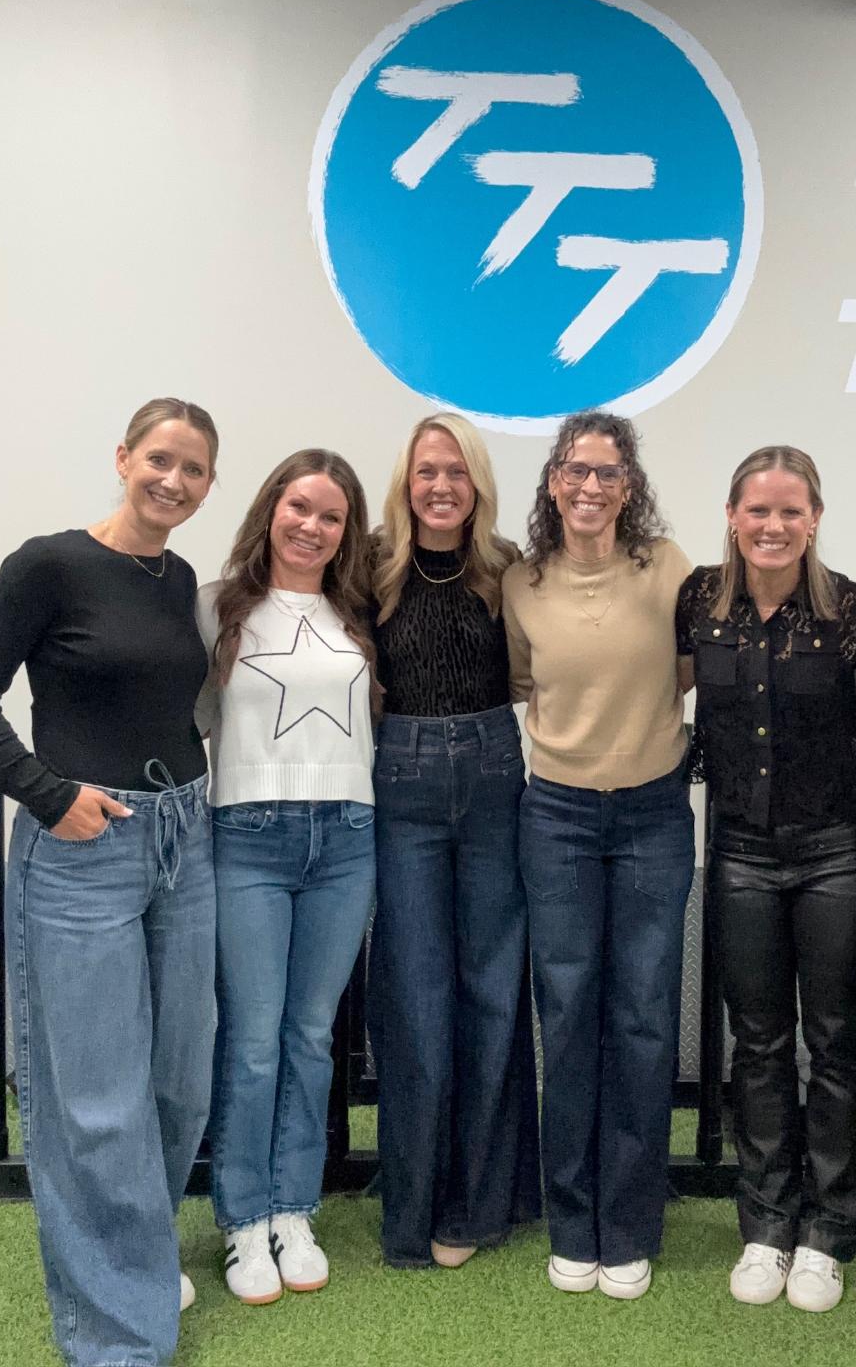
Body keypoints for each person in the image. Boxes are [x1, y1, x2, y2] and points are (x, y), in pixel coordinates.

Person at [0, 398, 218, 1367]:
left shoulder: (178, 578)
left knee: (178, 1081)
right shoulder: (49, 565)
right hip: (85, 851)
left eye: (194, 469)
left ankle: (135, 1257)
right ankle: (116, 1333)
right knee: (95, 1098)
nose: (173, 480)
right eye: (160, 458)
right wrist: (44, 794)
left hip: (183, 837)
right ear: (123, 458)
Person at [675, 445, 856, 1314]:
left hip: (838, 849)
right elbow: (662, 693)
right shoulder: (698, 602)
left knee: (836, 1043)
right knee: (758, 1044)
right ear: (732, 517)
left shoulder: (854, 610)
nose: (773, 525)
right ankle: (766, 1226)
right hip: (741, 854)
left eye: (790, 511)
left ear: (815, 519)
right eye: (757, 510)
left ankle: (829, 1235)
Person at [502, 409, 694, 1301]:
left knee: (645, 1016)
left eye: (608, 472)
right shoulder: (523, 581)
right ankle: (572, 1220)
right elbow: (520, 680)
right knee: (570, 1011)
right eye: (575, 470)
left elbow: (689, 668)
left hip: (654, 815)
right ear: (553, 483)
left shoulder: (668, 568)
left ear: (629, 486)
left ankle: (631, 1224)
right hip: (558, 818)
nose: (590, 485)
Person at [195, 449, 379, 1305]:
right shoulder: (215, 607)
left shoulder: (361, 614)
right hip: (248, 836)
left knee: (311, 1037)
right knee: (253, 1038)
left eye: (331, 516)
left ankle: (292, 1209)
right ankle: (242, 1219)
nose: (312, 526)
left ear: (348, 532)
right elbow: (184, 714)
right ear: (271, 509)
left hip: (347, 837)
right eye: (299, 507)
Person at [368, 411, 540, 1270]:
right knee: (414, 996)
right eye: (427, 471)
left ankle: (480, 1203)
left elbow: (537, 669)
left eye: (457, 472)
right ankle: (414, 1208)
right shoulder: (370, 566)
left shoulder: (508, 569)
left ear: (478, 484)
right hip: (400, 785)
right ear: (406, 482)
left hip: (494, 778)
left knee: (494, 992)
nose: (441, 486)